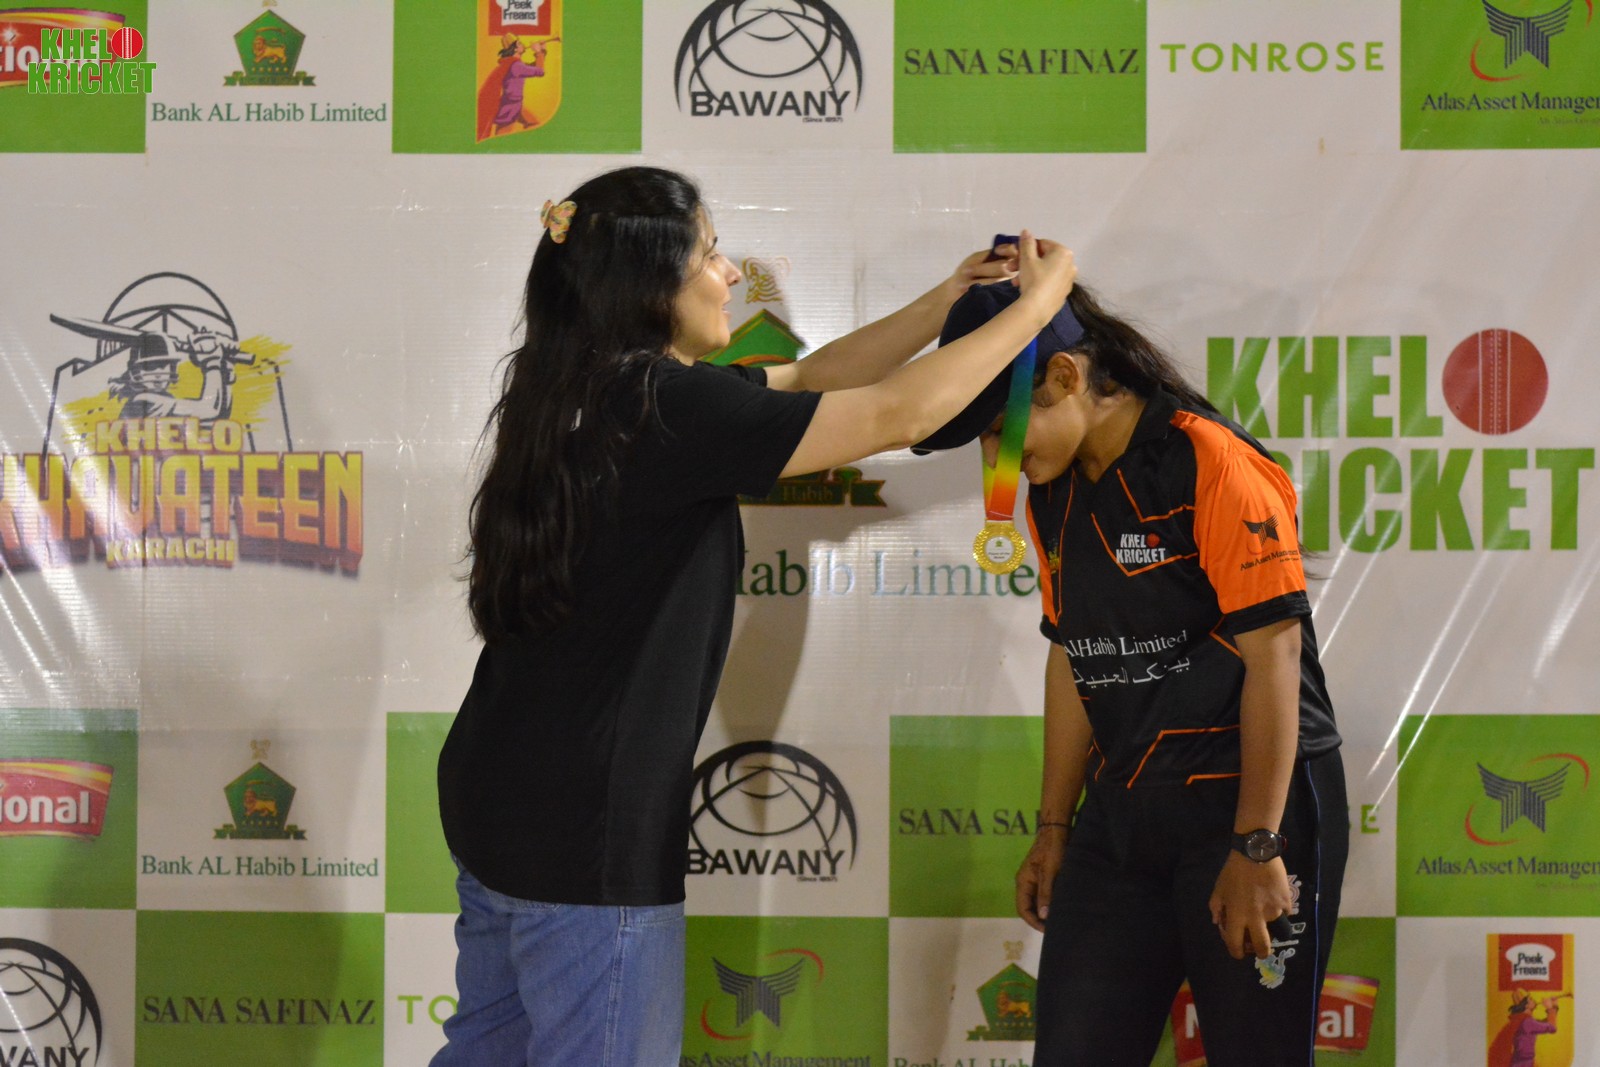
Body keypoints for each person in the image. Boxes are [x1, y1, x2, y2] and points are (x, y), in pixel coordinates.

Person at [433, 166, 1077, 1067]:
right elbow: (897, 413)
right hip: (586, 834)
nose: (731, 272)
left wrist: (947, 301)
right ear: (651, 283)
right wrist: (1037, 304)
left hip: (498, 798)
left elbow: (810, 375)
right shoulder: (669, 405)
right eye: (710, 252)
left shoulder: (581, 390)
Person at [914, 281, 1348, 1067]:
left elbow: (1275, 656)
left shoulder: (1208, 457)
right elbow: (1071, 652)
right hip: (1121, 819)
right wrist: (1054, 826)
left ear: (1066, 377)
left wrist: (1257, 843)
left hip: (1245, 809)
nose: (994, 460)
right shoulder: (1051, 489)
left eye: (997, 431)